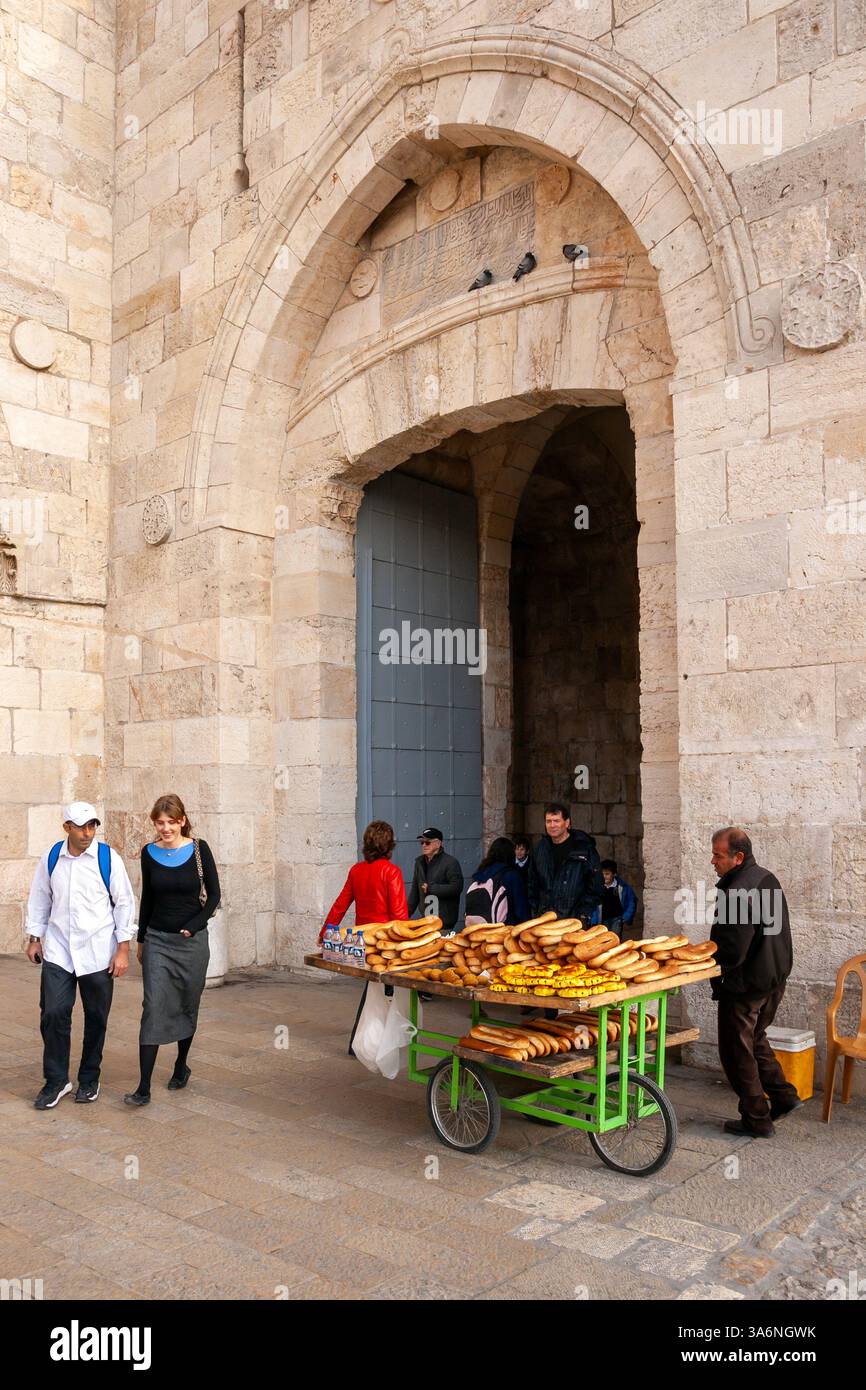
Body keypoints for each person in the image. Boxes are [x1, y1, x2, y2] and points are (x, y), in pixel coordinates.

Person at [25, 802, 135, 1109]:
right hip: (59, 949)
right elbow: (40, 898)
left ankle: (89, 1078)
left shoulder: (106, 858)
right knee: (53, 1012)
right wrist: (35, 938)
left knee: (96, 1017)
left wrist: (122, 949)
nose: (88, 833)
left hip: (98, 951)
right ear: (66, 828)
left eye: (92, 826)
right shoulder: (51, 858)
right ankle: (56, 1081)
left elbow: (124, 902)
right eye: (81, 827)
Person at [124, 794, 220, 1106]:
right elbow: (147, 898)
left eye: (170, 822)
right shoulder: (149, 853)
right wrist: (140, 940)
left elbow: (215, 896)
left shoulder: (198, 849)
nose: (165, 828)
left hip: (192, 943)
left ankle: (181, 1065)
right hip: (158, 941)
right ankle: (143, 1087)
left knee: (186, 1002)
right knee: (152, 1005)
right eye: (159, 822)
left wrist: (193, 925)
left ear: (182, 821)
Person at [710, 826, 801, 1138]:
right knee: (756, 1038)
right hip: (774, 977)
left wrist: (709, 965)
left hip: (746, 984)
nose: (713, 861)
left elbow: (733, 949)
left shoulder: (738, 891)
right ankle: (784, 1096)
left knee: (737, 1050)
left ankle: (756, 1119)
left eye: (718, 855)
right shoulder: (766, 877)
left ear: (738, 857)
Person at [321, 821, 409, 1057]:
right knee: (386, 990)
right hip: (386, 942)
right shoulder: (391, 872)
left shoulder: (357, 871)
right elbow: (400, 916)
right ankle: (382, 1041)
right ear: (390, 845)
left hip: (364, 941)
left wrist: (325, 933)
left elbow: (340, 904)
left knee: (373, 988)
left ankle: (360, 1041)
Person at [528, 802, 603, 925]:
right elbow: (532, 884)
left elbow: (596, 886)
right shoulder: (539, 849)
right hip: (545, 920)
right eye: (548, 821)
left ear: (567, 823)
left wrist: (584, 914)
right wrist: (536, 912)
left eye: (556, 821)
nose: (552, 825)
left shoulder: (584, 849)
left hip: (574, 920)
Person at [407, 827, 464, 935]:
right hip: (426, 923)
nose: (424, 845)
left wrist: (432, 888)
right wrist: (404, 916)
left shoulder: (450, 862)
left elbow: (457, 887)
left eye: (427, 842)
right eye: (422, 842)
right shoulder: (419, 863)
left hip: (444, 924)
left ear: (438, 844)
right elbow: (415, 891)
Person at [465, 837, 530, 927]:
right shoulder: (511, 875)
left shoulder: (481, 872)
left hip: (477, 931)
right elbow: (521, 910)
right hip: (504, 931)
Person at [591, 859, 637, 939]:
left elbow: (631, 901)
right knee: (602, 940)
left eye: (607, 874)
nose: (604, 877)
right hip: (602, 919)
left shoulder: (623, 887)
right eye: (602, 874)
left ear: (614, 874)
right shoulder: (597, 888)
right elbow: (592, 904)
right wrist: (593, 918)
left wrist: (627, 915)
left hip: (617, 918)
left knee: (615, 938)